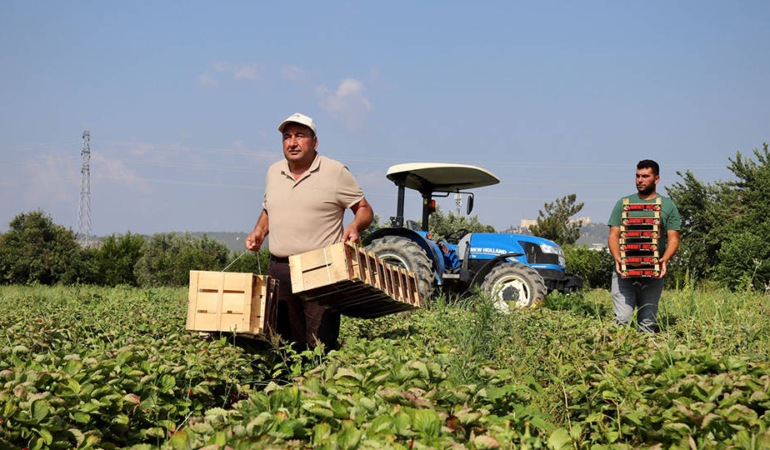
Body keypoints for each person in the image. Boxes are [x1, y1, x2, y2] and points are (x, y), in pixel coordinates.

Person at [245, 112, 373, 351]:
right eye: (287, 137)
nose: (292, 142)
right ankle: (290, 375)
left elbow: (364, 209)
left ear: (314, 142)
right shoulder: (274, 172)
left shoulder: (335, 171)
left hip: (321, 268)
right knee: (284, 342)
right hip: (280, 268)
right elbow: (269, 211)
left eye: (300, 136)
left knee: (319, 343)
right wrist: (259, 232)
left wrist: (355, 226)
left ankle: (320, 374)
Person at [607, 160, 681, 333]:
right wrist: (617, 258)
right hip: (624, 271)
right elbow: (613, 235)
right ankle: (619, 349)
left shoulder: (668, 206)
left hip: (653, 272)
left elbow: (673, 239)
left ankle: (646, 348)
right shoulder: (623, 203)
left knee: (647, 323)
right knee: (623, 320)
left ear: (657, 179)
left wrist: (665, 259)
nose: (640, 180)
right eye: (638, 176)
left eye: (645, 176)